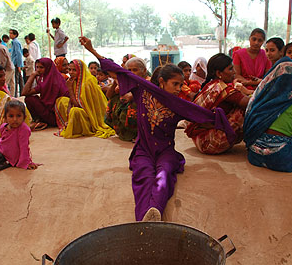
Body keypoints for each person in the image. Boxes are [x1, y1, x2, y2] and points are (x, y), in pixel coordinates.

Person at [80, 36, 236, 221]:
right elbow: (118, 72)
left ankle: (155, 211)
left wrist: (221, 119)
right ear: (162, 82)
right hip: (143, 150)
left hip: (166, 152)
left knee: (164, 176)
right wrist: (91, 49)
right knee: (144, 177)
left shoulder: (178, 104)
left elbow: (200, 115)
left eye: (181, 84)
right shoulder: (142, 91)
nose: (179, 88)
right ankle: (144, 218)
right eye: (175, 84)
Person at [185, 53, 250, 154]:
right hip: (209, 143)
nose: (234, 72)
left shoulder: (211, 85)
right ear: (219, 73)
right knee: (245, 109)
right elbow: (249, 103)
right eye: (230, 69)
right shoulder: (222, 89)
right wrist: (248, 92)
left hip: (199, 139)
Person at [54, 59, 115, 139]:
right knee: (61, 100)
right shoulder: (73, 81)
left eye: (74, 70)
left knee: (75, 111)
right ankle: (70, 124)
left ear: (80, 70)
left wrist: (70, 89)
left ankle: (82, 128)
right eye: (69, 69)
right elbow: (70, 103)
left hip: (91, 117)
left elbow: (78, 105)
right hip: (83, 111)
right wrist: (68, 119)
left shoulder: (87, 83)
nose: (71, 72)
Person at [105, 57, 148, 141]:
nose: (131, 73)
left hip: (142, 110)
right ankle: (124, 131)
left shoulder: (147, 81)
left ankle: (139, 134)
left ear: (144, 71)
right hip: (126, 106)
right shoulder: (126, 81)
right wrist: (115, 81)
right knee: (113, 99)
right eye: (129, 70)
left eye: (135, 70)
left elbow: (128, 97)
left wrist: (130, 95)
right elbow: (109, 95)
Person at [21, 57, 69, 130]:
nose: (38, 70)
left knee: (31, 99)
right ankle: (39, 120)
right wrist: (32, 76)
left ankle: (43, 121)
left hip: (56, 116)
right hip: (48, 113)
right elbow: (25, 92)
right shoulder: (44, 80)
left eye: (41, 67)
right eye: (37, 67)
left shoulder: (58, 80)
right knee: (29, 98)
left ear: (48, 68)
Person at [9, 29, 24, 97]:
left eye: (11, 33)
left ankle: (16, 95)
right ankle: (21, 93)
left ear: (15, 34)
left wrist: (19, 65)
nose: (10, 35)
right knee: (19, 79)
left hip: (16, 63)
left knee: (16, 79)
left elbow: (18, 54)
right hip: (15, 63)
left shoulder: (15, 42)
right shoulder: (14, 42)